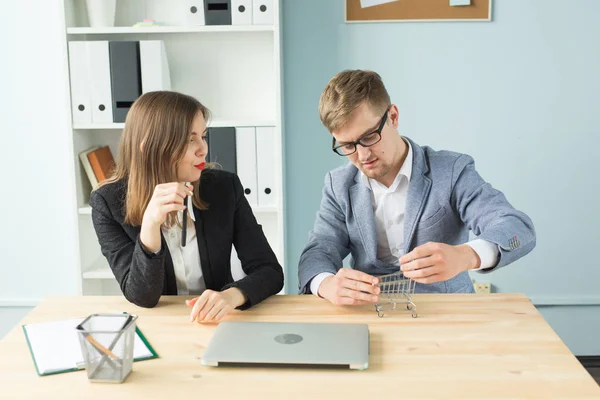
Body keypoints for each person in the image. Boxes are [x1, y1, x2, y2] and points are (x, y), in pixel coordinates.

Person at [298, 70, 536, 306]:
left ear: (393, 116)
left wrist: (465, 256)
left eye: (369, 136)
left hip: (449, 315)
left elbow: (518, 230)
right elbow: (318, 250)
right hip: (372, 313)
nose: (362, 155)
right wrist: (326, 283)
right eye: (347, 145)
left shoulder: (452, 170)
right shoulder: (338, 184)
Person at [90, 91, 284, 322]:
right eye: (190, 139)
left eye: (203, 136)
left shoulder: (224, 187)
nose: (203, 149)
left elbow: (270, 271)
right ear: (150, 147)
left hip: (218, 320)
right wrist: (151, 225)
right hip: (160, 324)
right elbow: (142, 297)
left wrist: (231, 296)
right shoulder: (108, 203)